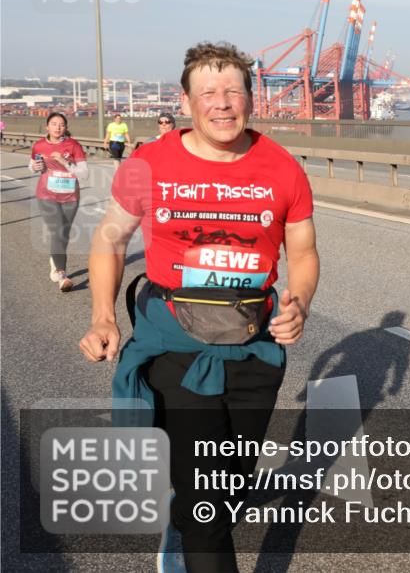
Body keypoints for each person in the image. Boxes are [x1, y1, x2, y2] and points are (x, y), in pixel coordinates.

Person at [78, 42, 320, 573]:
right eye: (208, 92)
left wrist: (298, 300)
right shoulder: (149, 161)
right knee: (208, 506)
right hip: (176, 347)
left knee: (228, 495)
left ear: (251, 99)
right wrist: (102, 315)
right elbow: (111, 237)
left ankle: (186, 519)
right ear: (186, 101)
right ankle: (192, 523)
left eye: (234, 90)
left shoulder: (282, 168)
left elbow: (302, 253)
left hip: (255, 348)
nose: (223, 103)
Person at [29, 111, 89, 292]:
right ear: (47, 126)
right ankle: (62, 274)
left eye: (61, 125)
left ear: (66, 128)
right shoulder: (39, 145)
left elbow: (84, 174)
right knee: (57, 231)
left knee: (63, 234)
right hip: (46, 194)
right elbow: (32, 165)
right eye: (54, 124)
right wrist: (35, 166)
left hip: (70, 196)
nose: (58, 127)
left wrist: (64, 162)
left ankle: (55, 259)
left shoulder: (73, 145)